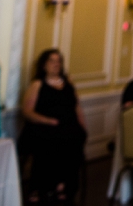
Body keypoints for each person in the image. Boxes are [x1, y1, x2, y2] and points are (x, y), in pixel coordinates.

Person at [19, 49, 87, 203]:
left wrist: (82, 124)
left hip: (67, 125)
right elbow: (27, 111)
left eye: (59, 61)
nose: (56, 64)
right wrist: (48, 121)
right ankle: (42, 187)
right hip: (43, 125)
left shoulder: (68, 82)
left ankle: (64, 185)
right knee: (52, 140)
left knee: (75, 138)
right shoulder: (37, 84)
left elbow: (76, 106)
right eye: (52, 60)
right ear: (44, 65)